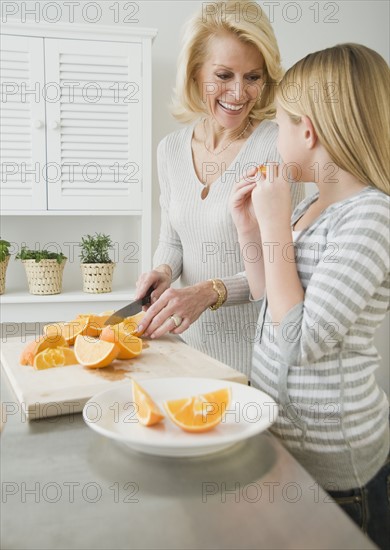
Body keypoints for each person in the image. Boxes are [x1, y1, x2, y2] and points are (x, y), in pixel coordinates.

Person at [230, 43, 389, 548]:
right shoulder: (311, 206)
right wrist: (250, 228)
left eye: (278, 124)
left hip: (337, 473)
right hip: (285, 448)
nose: (274, 138)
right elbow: (270, 300)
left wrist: (276, 220)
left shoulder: (370, 218)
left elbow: (301, 340)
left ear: (309, 130)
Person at [135, 0, 304, 377]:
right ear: (196, 74)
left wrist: (208, 292)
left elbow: (283, 266)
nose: (239, 93)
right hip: (187, 356)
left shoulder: (279, 147)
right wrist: (162, 270)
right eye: (224, 75)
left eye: (253, 77)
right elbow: (174, 239)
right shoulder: (171, 150)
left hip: (257, 362)